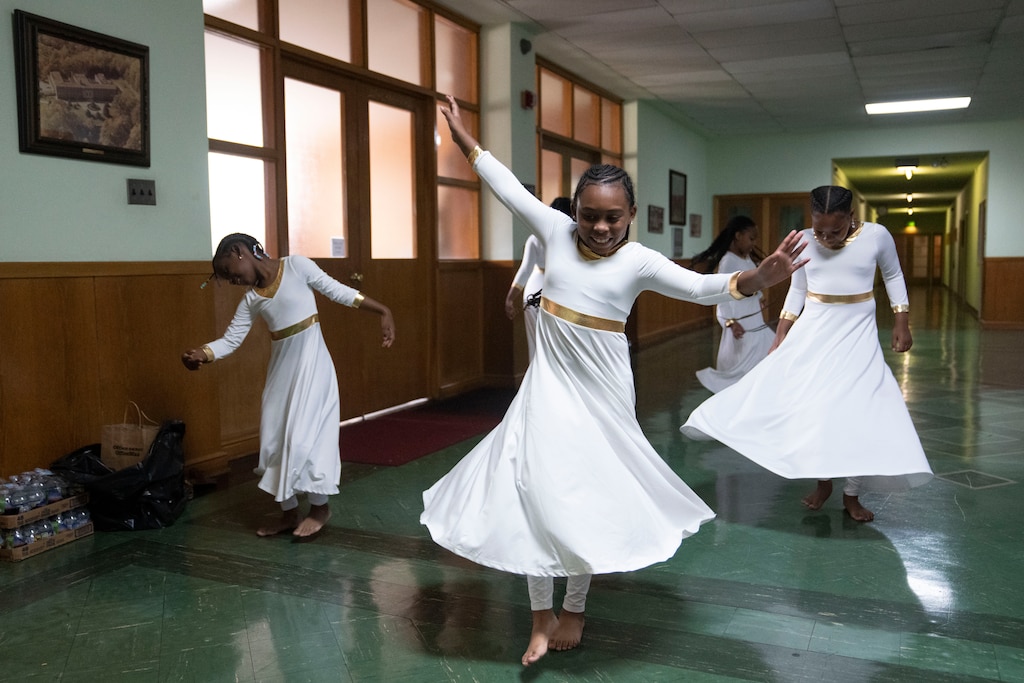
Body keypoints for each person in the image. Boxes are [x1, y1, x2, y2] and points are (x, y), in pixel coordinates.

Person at [421, 95, 808, 667]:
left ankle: (574, 605)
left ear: (629, 215)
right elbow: (505, 186)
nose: (601, 227)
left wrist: (757, 278)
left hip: (604, 399)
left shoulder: (639, 261)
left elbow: (701, 289)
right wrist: (463, 139)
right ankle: (539, 617)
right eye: (590, 215)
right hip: (545, 395)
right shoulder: (552, 232)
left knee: (585, 499)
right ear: (575, 210)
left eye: (613, 217)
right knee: (533, 495)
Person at [681, 186, 932, 522]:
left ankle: (851, 493)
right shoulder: (802, 239)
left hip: (859, 333)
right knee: (818, 408)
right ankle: (823, 482)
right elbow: (798, 288)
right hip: (815, 329)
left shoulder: (877, 236)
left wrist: (902, 320)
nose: (826, 238)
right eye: (820, 229)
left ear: (851, 217)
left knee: (859, 410)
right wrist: (782, 333)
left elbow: (893, 274)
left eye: (836, 230)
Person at [182, 234, 395, 537]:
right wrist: (202, 353)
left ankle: (320, 507)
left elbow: (339, 292)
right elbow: (231, 340)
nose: (233, 281)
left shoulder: (296, 266)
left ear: (239, 252)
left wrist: (383, 310)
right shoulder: (252, 300)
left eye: (230, 272)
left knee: (304, 437)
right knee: (275, 440)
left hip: (313, 368)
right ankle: (289, 513)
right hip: (281, 375)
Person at [691, 215, 775, 392]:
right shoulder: (728, 261)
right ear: (738, 236)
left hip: (754, 321)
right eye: (751, 238)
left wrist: (759, 296)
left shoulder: (746, 258)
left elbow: (751, 281)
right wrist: (729, 322)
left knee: (764, 362)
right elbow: (723, 296)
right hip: (741, 325)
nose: (753, 243)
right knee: (741, 374)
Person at [504, 197, 571, 361]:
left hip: (534, 288)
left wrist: (510, 298)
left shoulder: (535, 238)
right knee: (558, 343)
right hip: (560, 289)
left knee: (535, 342)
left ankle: (537, 381)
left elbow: (525, 270)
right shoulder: (572, 238)